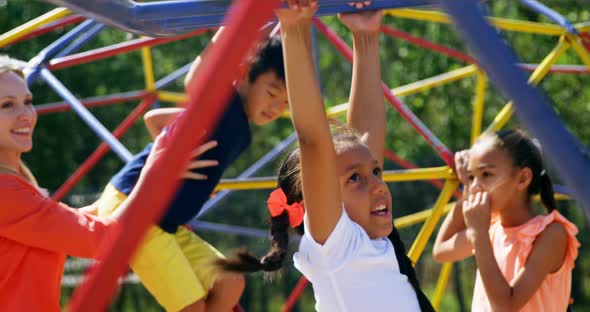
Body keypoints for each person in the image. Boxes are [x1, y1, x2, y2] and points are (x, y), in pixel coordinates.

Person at [218, 2, 435, 311]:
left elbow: (365, 133)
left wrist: (366, 37)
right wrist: (294, 29)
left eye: (376, 172)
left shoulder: (371, 244)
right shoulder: (337, 248)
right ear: (317, 201)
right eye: (355, 179)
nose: (377, 185)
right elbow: (313, 141)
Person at [0, 55, 212, 311]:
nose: (25, 114)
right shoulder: (5, 192)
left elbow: (76, 222)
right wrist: (154, 176)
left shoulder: (15, 184)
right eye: (7, 105)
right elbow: (101, 240)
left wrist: (142, 185)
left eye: (28, 101)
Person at [95, 33, 288, 312]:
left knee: (230, 282)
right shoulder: (226, 106)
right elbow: (196, 80)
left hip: (166, 223)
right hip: (138, 210)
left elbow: (156, 119)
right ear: (243, 73)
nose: (276, 108)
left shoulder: (232, 122)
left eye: (285, 103)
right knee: (192, 306)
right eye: (272, 94)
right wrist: (240, 22)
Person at [433, 129, 580, 312]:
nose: (476, 186)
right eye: (472, 176)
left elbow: (506, 307)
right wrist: (468, 191)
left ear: (523, 178)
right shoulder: (490, 228)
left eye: (486, 174)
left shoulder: (551, 234)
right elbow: (441, 251)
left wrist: (478, 236)